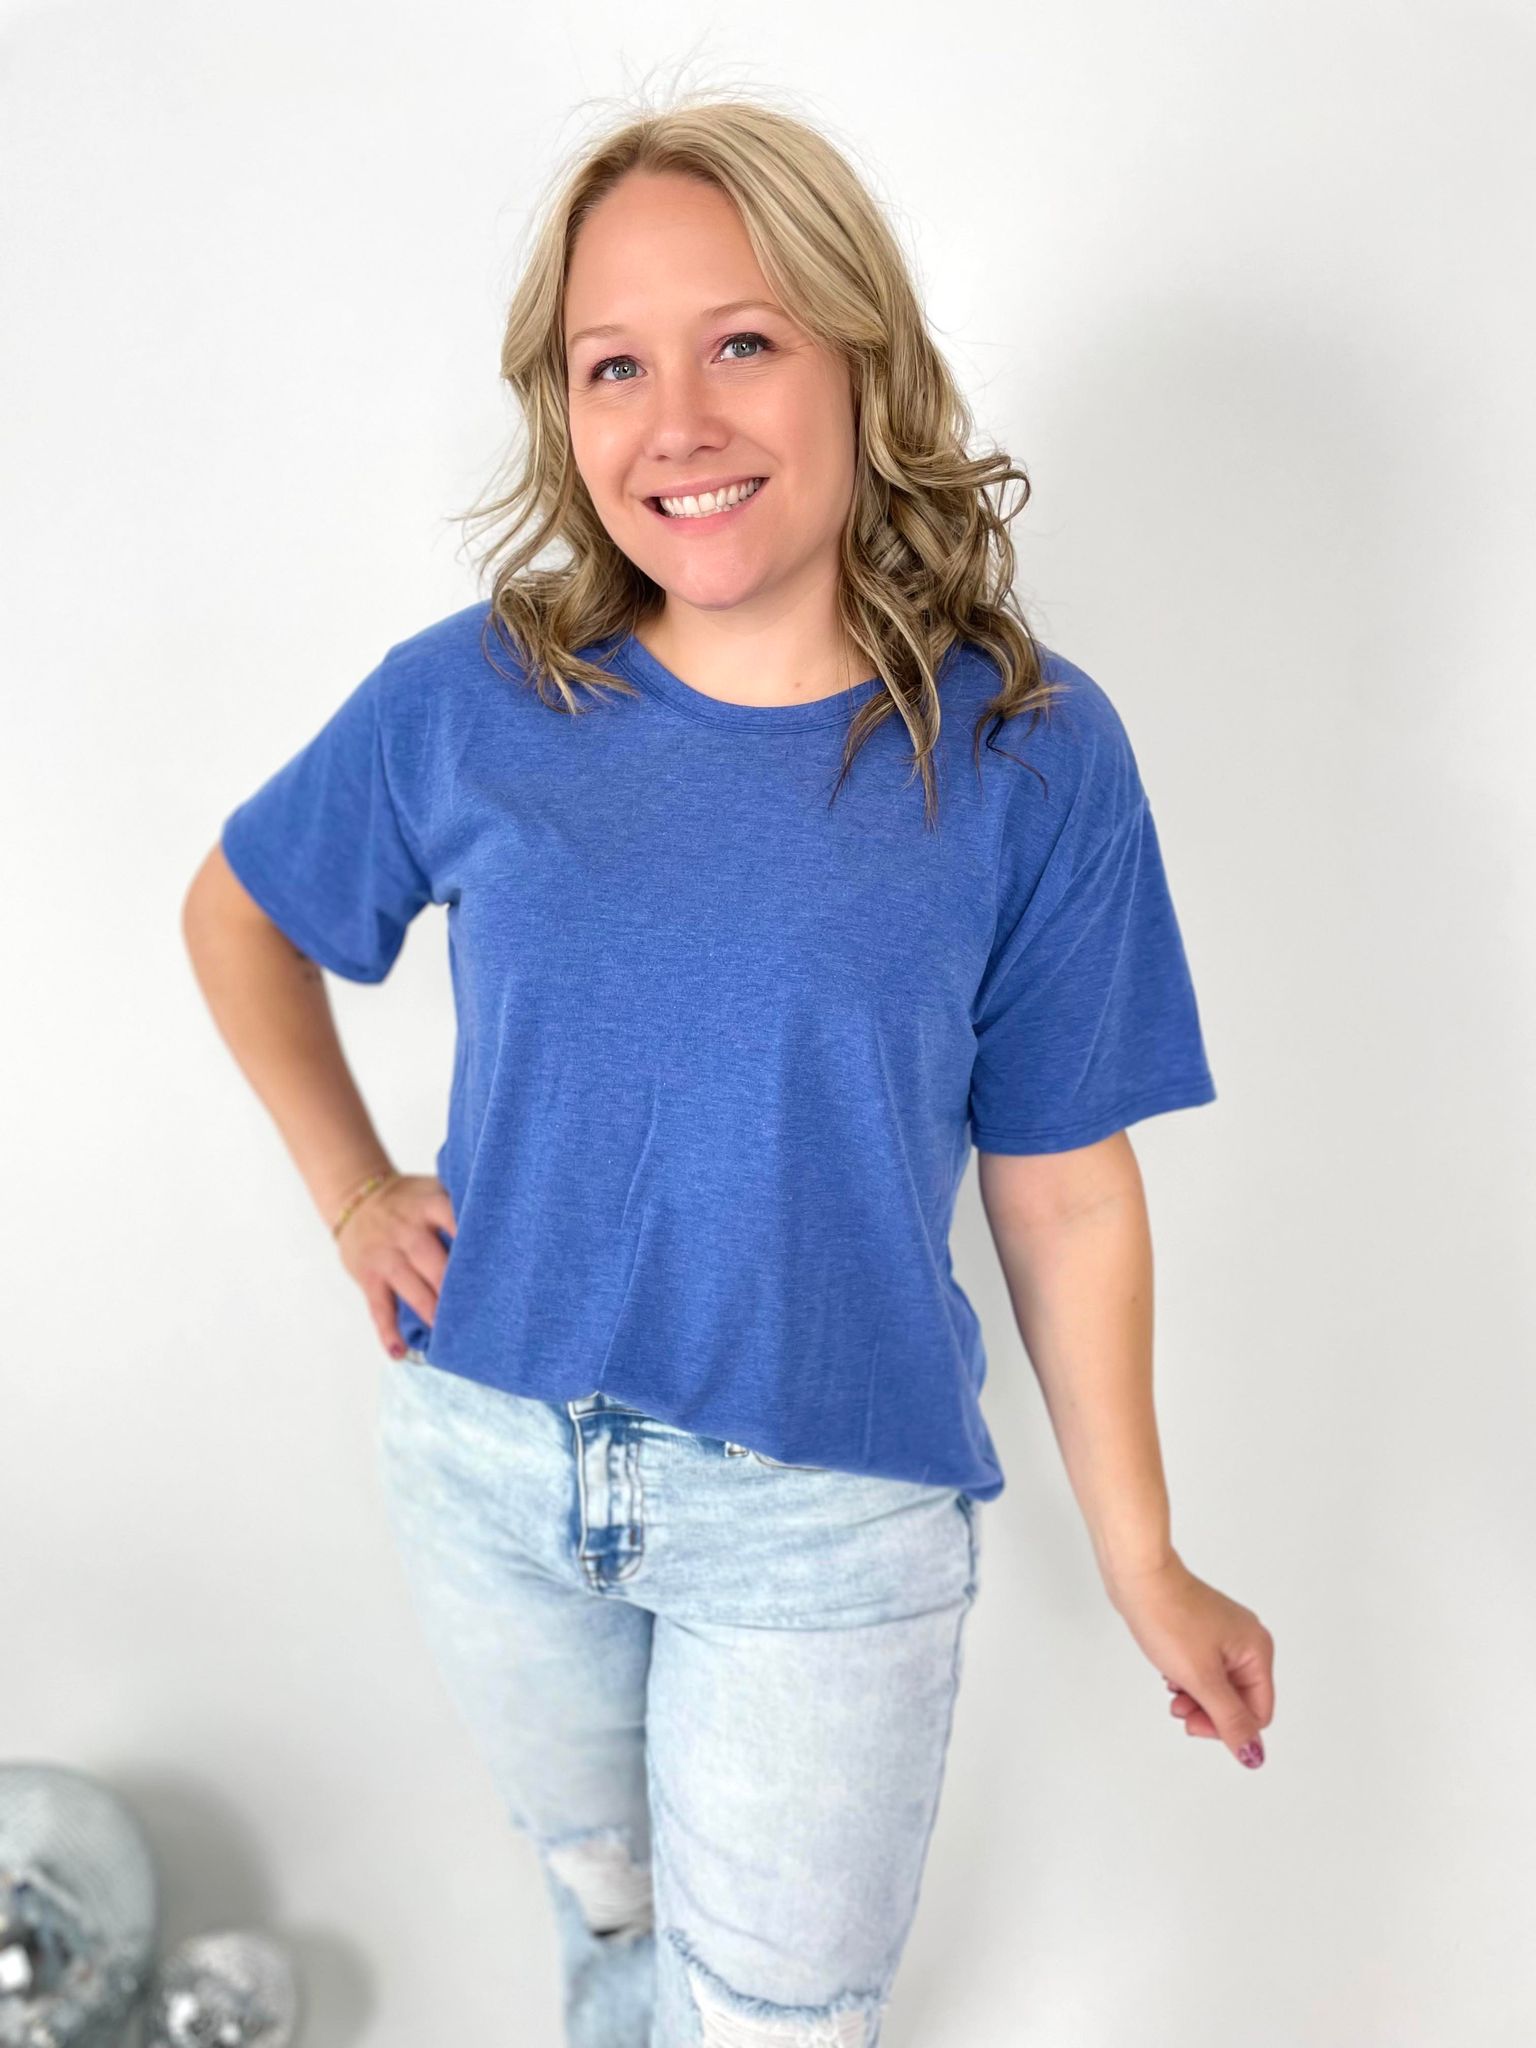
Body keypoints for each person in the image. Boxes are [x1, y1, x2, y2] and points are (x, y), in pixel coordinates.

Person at [182, 90, 1275, 2048]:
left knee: (777, 2017)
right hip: (491, 1466)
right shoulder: (478, 698)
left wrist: (1146, 1558)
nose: (675, 418)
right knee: (612, 1926)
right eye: (615, 364)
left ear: (862, 357)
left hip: (825, 1525)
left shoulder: (1025, 755)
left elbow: (1063, 1189)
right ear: (566, 409)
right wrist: (352, 1188)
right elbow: (238, 911)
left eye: (743, 341)